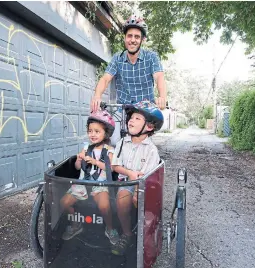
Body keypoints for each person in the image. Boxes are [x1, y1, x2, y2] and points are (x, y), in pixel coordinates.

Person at [90, 14, 167, 144]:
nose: (133, 40)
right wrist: (97, 96)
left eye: (137, 37)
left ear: (142, 39)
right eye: (129, 36)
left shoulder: (151, 57)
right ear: (125, 38)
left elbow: (159, 77)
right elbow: (105, 79)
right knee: (113, 142)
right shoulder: (117, 58)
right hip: (123, 110)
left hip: (144, 111)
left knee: (143, 146)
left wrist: (162, 97)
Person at [110, 100, 164, 255]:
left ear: (149, 126)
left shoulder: (151, 150)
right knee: (122, 200)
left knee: (142, 201)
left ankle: (146, 233)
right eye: (131, 117)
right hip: (126, 181)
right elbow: (115, 166)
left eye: (137, 118)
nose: (131, 120)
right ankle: (127, 233)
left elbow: (149, 176)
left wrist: (136, 190)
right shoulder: (122, 143)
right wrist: (130, 174)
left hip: (145, 184)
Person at [60, 110, 119, 245]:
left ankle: (110, 228)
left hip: (101, 185)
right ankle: (76, 225)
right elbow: (76, 167)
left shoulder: (109, 150)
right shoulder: (86, 148)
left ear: (106, 133)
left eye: (97, 131)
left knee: (104, 206)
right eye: (90, 131)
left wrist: (96, 162)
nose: (92, 134)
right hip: (83, 184)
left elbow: (111, 168)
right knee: (64, 202)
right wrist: (79, 160)